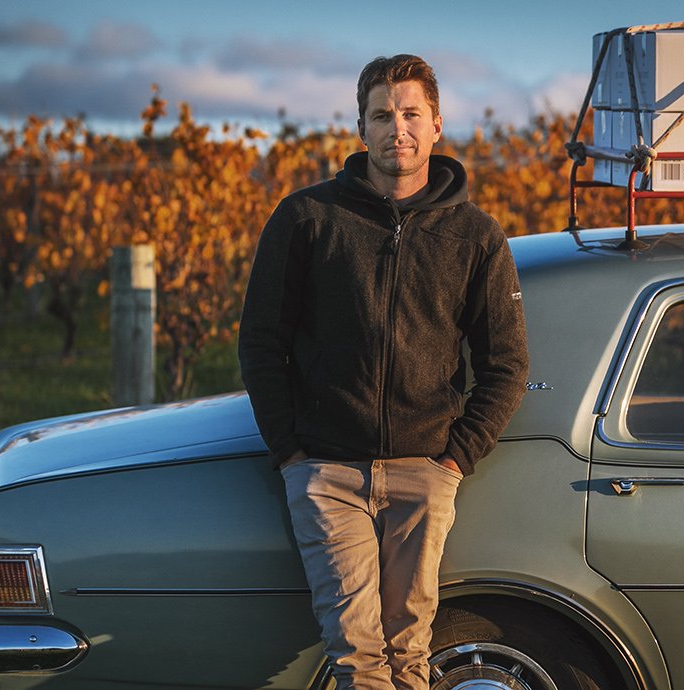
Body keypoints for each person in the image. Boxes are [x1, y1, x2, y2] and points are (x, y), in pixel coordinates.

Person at [238, 54, 528, 690]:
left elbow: (506, 364)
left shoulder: (476, 236)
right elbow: (261, 341)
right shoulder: (306, 219)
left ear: (436, 126)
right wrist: (291, 452)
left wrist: (453, 461)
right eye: (382, 115)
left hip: (425, 475)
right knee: (358, 660)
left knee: (410, 658)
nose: (397, 127)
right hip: (326, 474)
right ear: (361, 128)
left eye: (410, 114)